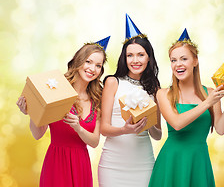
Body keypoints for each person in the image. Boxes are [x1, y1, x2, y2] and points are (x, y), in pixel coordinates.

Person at [148, 29, 224, 187]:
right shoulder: (163, 94)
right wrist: (207, 103)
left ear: (195, 61)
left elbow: (220, 129)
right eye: (173, 60)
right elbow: (177, 124)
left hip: (198, 160)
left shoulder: (211, 93)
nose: (178, 64)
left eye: (183, 59)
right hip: (172, 161)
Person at [16, 36, 110, 187]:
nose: (92, 69)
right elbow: (37, 134)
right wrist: (32, 112)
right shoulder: (57, 90)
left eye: (98, 65)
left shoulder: (97, 100)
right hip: (56, 163)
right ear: (79, 61)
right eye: (88, 61)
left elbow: (94, 142)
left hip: (81, 165)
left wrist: (78, 127)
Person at [98, 14, 162, 187]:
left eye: (140, 55)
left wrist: (150, 124)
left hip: (143, 164)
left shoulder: (154, 87)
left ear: (149, 57)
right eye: (130, 55)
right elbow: (103, 128)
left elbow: (158, 135)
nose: (135, 60)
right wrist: (125, 129)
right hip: (113, 164)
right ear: (124, 59)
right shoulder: (113, 82)